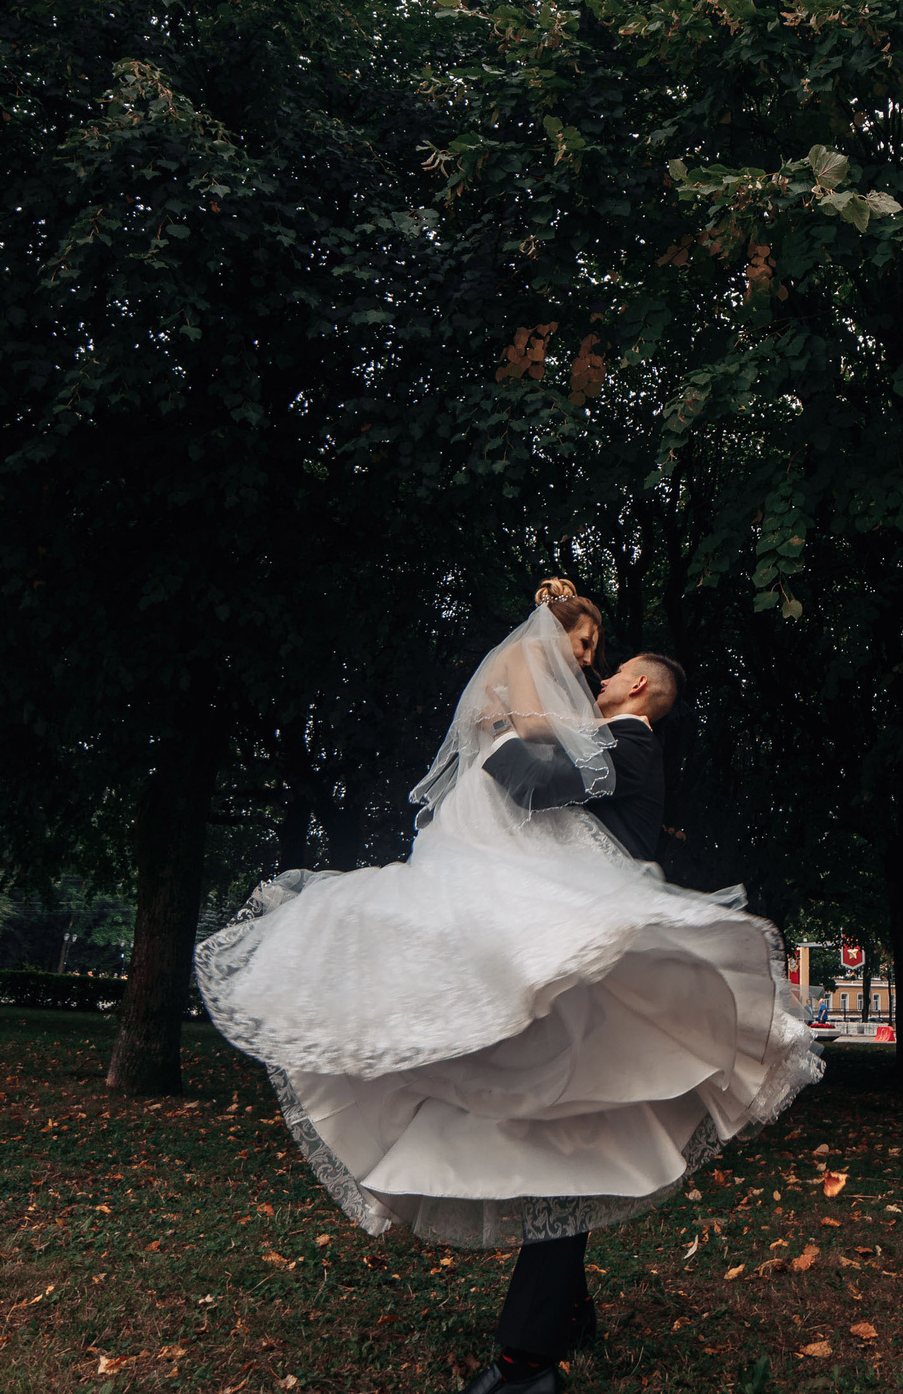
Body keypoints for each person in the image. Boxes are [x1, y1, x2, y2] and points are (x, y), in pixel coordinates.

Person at [196, 581, 823, 1394]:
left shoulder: (627, 746)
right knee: (566, 1127)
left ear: (638, 686)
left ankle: (529, 1362)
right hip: (579, 956)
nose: (594, 671)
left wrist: (491, 729)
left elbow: (531, 784)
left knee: (565, 1130)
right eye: (587, 653)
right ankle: (564, 1315)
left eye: (608, 664)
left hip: (592, 959)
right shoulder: (605, 739)